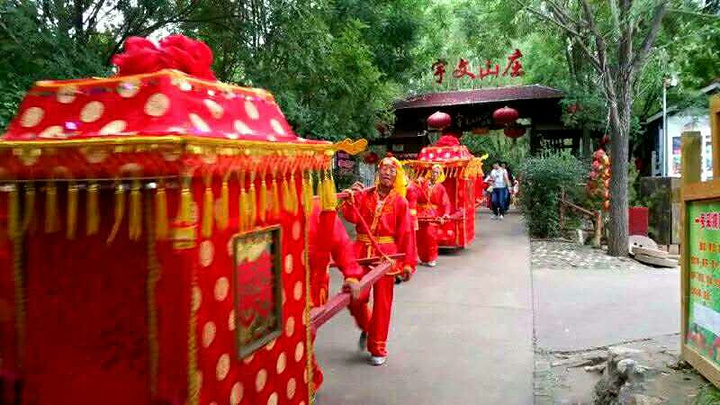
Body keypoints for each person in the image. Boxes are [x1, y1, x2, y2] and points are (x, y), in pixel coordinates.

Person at [341, 156, 416, 366]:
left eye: (392, 170)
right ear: (378, 172)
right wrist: (350, 196)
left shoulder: (400, 202)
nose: (387, 173)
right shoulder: (364, 195)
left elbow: (406, 234)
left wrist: (407, 263)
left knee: (383, 303)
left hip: (386, 255)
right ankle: (367, 327)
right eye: (384, 168)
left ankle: (378, 346)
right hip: (361, 252)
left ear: (397, 176)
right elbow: (351, 216)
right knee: (355, 296)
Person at [308, 199, 363, 391]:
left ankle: (308, 380)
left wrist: (352, 274)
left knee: (305, 335)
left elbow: (341, 243)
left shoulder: (318, 209)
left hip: (312, 285)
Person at [415, 164, 451, 267]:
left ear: (440, 174)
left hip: (433, 214)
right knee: (420, 237)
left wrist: (446, 213)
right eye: (433, 172)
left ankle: (432, 258)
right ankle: (424, 258)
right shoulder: (423, 183)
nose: (434, 174)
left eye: (437, 173)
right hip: (421, 213)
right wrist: (416, 183)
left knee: (431, 236)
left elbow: (446, 202)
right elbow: (415, 192)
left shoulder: (441, 188)